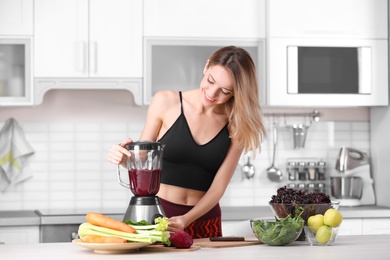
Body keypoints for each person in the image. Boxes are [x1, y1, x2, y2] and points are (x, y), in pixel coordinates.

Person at [108, 46, 266, 238]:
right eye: (210, 81)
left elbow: (219, 187)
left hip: (204, 220)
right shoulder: (166, 101)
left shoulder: (237, 123)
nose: (212, 93)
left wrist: (187, 219)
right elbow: (142, 161)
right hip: (158, 216)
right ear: (206, 66)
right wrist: (124, 158)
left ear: (236, 93)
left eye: (224, 91)